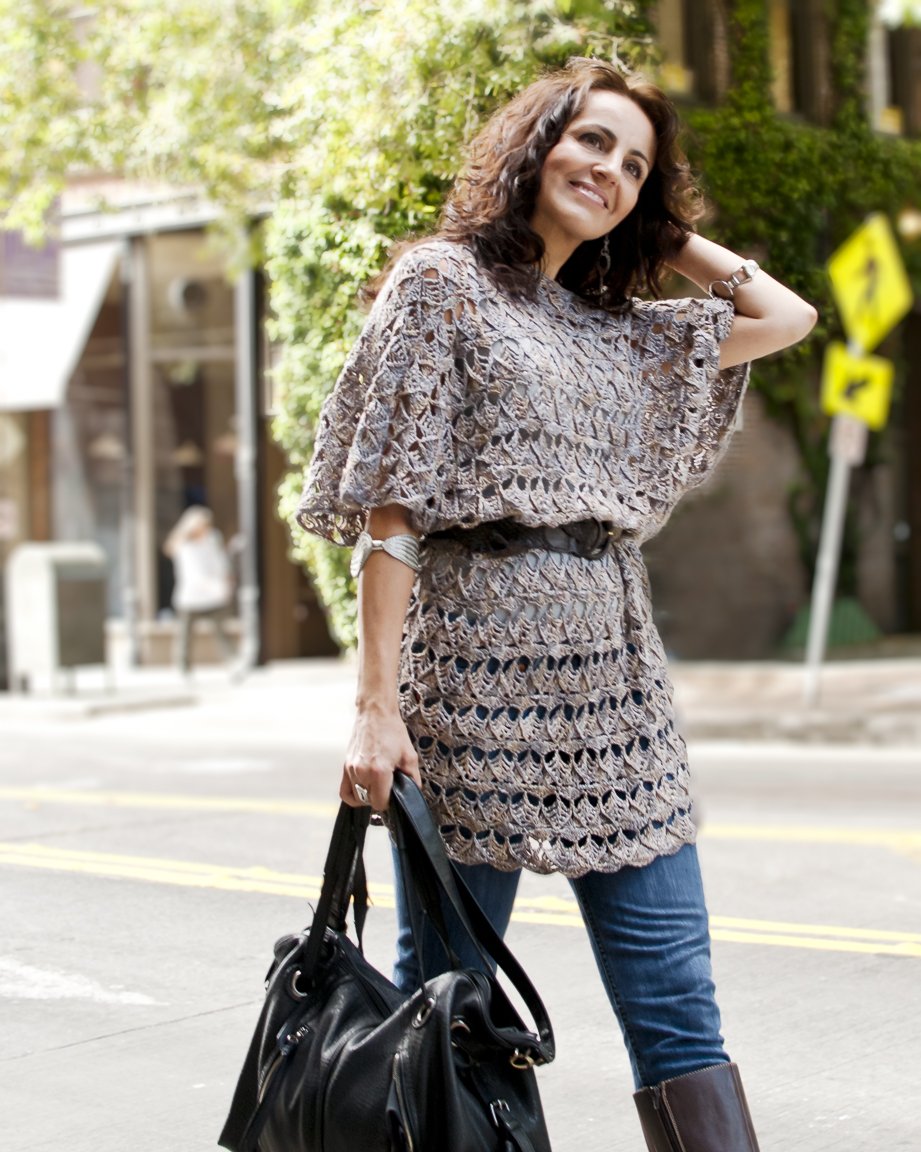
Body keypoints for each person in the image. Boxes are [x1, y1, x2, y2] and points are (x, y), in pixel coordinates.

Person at [296, 57, 816, 1151]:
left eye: (634, 163)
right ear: (536, 143)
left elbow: (783, 313)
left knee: (677, 1001)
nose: (609, 170)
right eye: (590, 142)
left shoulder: (619, 331)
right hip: (471, 686)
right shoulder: (442, 286)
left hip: (616, 691)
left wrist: (658, 226)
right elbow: (394, 517)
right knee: (449, 1007)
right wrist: (374, 708)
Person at [162, 505, 236, 676]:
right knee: (185, 635)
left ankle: (231, 661)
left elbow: (220, 562)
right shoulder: (183, 545)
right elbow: (193, 573)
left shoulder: (212, 539)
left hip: (213, 596)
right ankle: (183, 667)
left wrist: (225, 580)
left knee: (221, 632)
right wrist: (215, 585)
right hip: (191, 595)